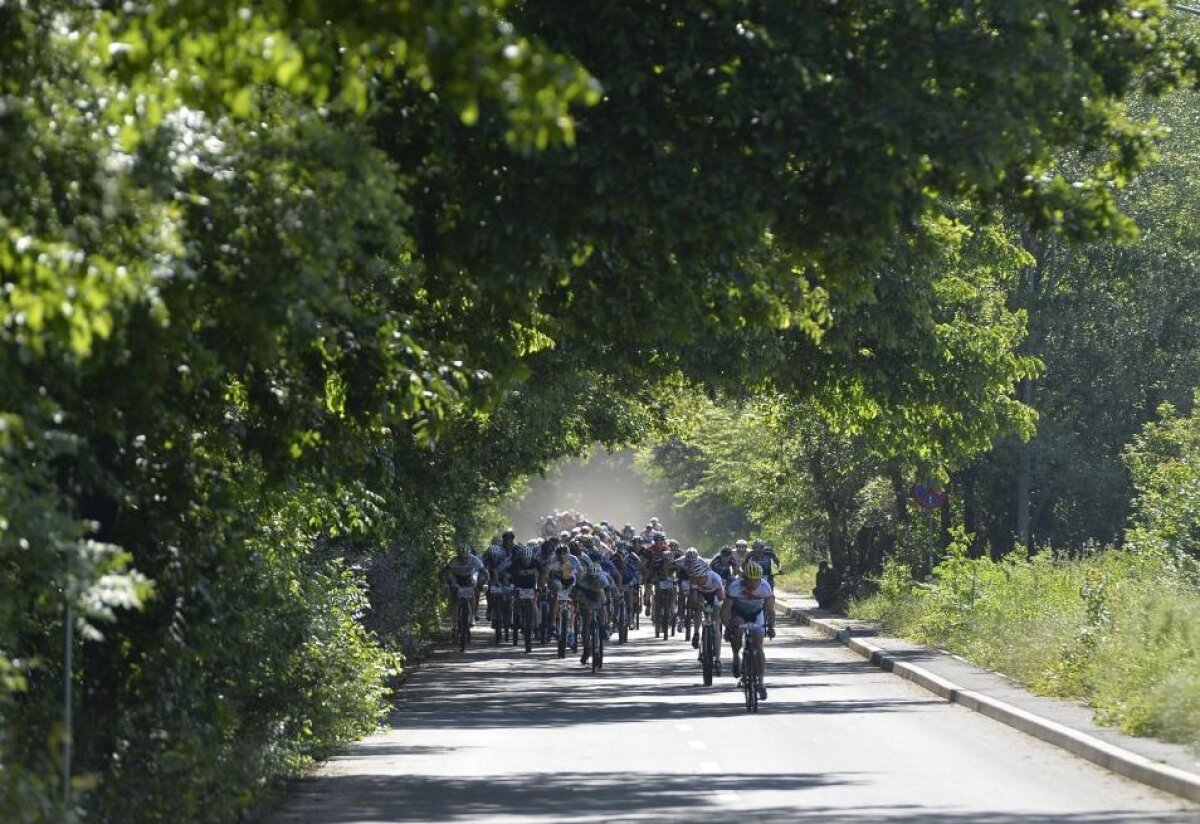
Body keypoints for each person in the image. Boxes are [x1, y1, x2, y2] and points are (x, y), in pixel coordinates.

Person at [721, 560, 775, 699]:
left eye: (756, 580)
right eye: (749, 580)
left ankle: (761, 682)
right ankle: (735, 657)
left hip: (756, 614)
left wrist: (771, 627)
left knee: (758, 646)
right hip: (739, 613)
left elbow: (770, 609)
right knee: (737, 632)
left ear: (760, 579)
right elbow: (725, 610)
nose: (752, 584)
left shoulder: (765, 587)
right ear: (743, 578)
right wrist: (728, 627)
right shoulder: (735, 587)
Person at [688, 559, 726, 672]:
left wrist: (719, 607)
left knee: (717, 624)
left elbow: (721, 598)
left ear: (705, 574)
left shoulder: (715, 578)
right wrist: (696, 606)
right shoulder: (695, 580)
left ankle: (718, 659)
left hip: (714, 595)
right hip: (702, 595)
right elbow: (694, 598)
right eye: (695, 578)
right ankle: (697, 633)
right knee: (697, 609)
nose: (697, 580)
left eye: (700, 578)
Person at [442, 542, 488, 625]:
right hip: (457, 577)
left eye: (466, 557)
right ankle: (455, 623)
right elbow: (445, 572)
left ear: (469, 555)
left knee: (472, 592)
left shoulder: (474, 559)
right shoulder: (454, 560)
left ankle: (472, 616)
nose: (463, 559)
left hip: (469, 577)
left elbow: (485, 572)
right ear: (457, 555)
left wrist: (483, 583)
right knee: (454, 598)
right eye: (460, 557)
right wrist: (445, 583)